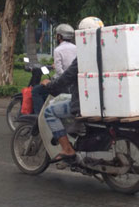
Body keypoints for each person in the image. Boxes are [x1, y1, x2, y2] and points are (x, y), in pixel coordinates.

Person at [40, 17, 104, 163]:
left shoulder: (85, 55)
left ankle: (67, 149)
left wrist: (50, 85)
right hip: (99, 100)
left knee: (50, 111)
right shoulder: (104, 52)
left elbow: (67, 76)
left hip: (84, 102)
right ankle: (76, 130)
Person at [31, 23, 77, 114]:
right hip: (73, 83)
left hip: (62, 84)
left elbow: (60, 72)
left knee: (36, 91)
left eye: (57, 35)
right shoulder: (76, 48)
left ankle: (39, 118)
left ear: (59, 36)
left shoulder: (58, 50)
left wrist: (51, 81)